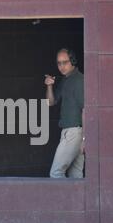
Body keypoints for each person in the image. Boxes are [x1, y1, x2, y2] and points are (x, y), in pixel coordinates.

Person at [45, 48, 85, 178]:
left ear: (72, 61)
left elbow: (85, 110)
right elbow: (50, 102)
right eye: (59, 63)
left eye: (65, 62)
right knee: (76, 175)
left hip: (75, 132)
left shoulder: (79, 80)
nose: (61, 66)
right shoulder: (64, 80)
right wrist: (49, 86)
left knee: (56, 173)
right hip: (70, 132)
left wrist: (85, 139)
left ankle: (59, 199)